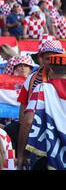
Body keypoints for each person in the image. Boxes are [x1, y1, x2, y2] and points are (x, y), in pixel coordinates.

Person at [16, 36, 65, 168]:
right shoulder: (32, 79)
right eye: (48, 58)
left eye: (56, 57)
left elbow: (28, 120)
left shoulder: (41, 88)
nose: (52, 62)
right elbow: (23, 115)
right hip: (39, 136)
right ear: (40, 59)